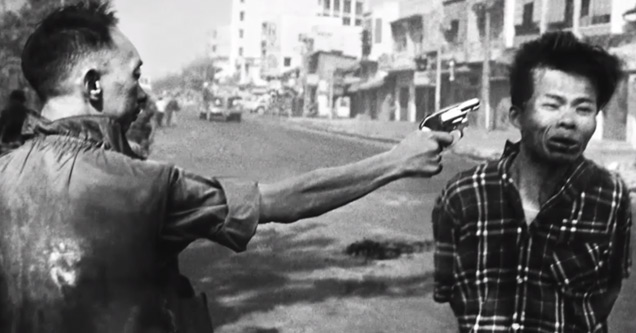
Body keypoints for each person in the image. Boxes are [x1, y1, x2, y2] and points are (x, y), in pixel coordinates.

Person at [0, 2, 456, 332]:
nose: (143, 92)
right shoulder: (145, 187)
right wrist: (397, 160)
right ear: (94, 86)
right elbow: (283, 201)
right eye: (135, 75)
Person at [432, 31, 631, 333]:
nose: (568, 120)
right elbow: (449, 289)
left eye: (583, 108)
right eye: (552, 105)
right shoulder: (462, 195)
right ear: (517, 116)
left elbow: (608, 290)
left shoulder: (610, 196)